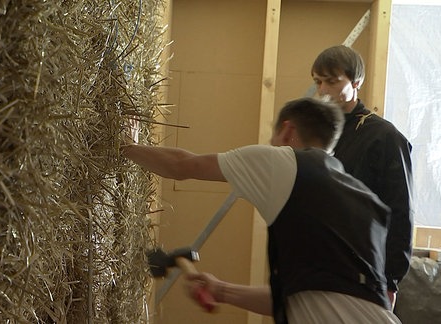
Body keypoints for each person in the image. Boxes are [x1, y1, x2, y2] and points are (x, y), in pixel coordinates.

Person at [122, 97, 401, 323]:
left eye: (273, 135)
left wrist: (125, 146)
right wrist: (221, 290)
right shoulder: (364, 201)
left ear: (288, 131)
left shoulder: (281, 161)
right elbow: (301, 295)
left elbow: (184, 166)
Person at [311, 45, 413, 308]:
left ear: (356, 82)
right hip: (319, 267)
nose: (322, 90)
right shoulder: (316, 135)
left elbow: (401, 211)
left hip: (367, 273)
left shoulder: (384, 137)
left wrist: (390, 280)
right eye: (318, 82)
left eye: (332, 82)